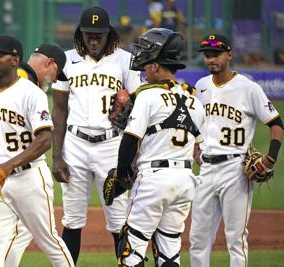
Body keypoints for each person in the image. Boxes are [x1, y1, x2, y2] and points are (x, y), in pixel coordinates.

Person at [52, 6, 142, 265]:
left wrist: (133, 154)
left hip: (111, 145)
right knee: (72, 220)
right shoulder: (67, 60)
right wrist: (57, 156)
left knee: (118, 221)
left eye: (99, 35)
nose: (93, 40)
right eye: (88, 34)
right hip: (75, 145)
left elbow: (140, 105)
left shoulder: (125, 60)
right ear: (80, 34)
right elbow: (58, 111)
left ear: (108, 34)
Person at [108, 27, 205, 267]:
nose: (142, 67)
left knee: (131, 250)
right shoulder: (194, 101)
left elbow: (130, 140)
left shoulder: (147, 96)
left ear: (155, 65)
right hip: (185, 181)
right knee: (169, 253)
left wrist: (122, 174)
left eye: (146, 61)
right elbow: (198, 151)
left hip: (154, 180)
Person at [0, 35, 74, 267]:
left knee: (49, 240)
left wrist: (6, 165)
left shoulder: (32, 92)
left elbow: (44, 140)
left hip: (28, 178)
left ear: (14, 60)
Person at [189, 34, 283, 267]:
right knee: (197, 239)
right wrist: (195, 146)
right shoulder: (200, 86)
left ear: (229, 55)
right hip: (206, 171)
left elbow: (276, 124)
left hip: (235, 171)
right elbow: (194, 123)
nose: (211, 59)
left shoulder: (248, 88)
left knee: (235, 238)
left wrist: (270, 158)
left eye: (216, 54)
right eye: (207, 55)